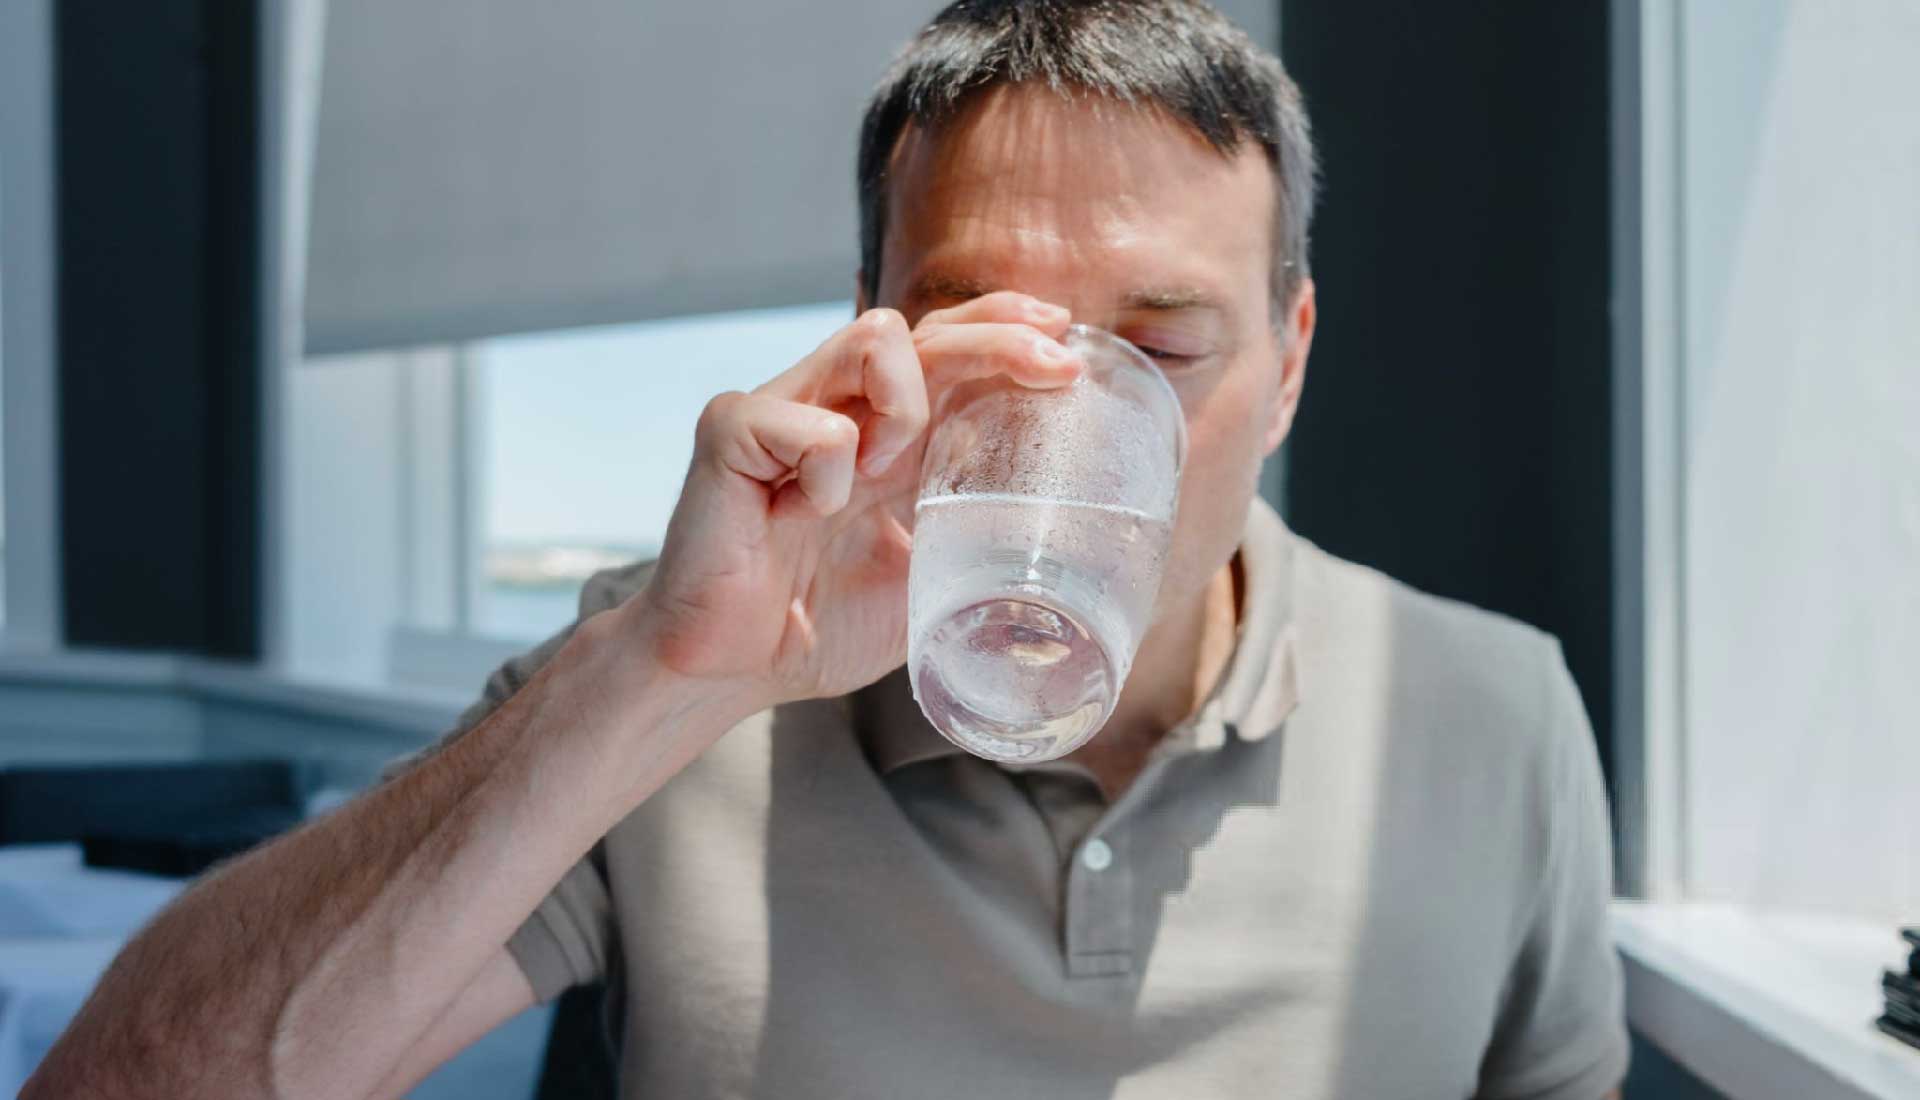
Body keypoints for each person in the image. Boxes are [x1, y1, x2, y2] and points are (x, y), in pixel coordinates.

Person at [26, 1, 1627, 1097]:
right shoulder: (660, 677)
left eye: (1159, 347)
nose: (1061, 424)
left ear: (1289, 364)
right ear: (874, 339)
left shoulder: (1490, 714)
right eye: (984, 339)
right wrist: (667, 675)